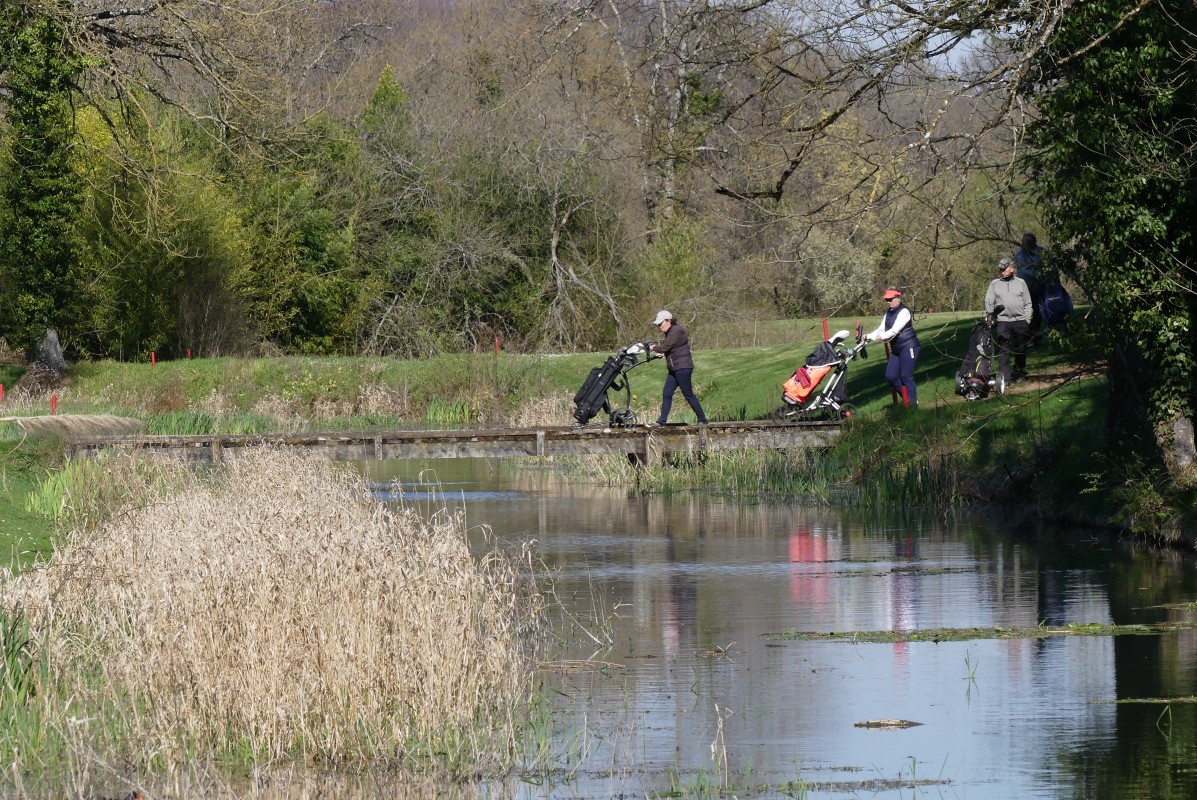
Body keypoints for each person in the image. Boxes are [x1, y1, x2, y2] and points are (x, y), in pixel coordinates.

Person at [647, 310, 708, 426]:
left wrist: (653, 347)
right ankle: (662, 421)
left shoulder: (675, 331)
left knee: (688, 394)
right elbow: (674, 348)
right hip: (674, 368)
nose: (660, 327)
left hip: (683, 367)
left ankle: (703, 419)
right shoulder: (670, 332)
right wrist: (664, 354)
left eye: (661, 324)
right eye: (658, 325)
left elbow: (665, 347)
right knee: (667, 393)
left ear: (669, 321)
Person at [865, 287, 920, 408]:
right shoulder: (888, 313)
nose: (888, 302)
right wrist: (868, 336)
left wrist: (881, 337)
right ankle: (908, 400)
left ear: (898, 298)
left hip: (908, 346)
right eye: (887, 300)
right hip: (896, 348)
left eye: (890, 299)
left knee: (906, 376)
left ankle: (914, 405)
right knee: (890, 375)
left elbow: (894, 330)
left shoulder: (904, 312)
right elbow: (881, 329)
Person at [985, 257, 1033, 384]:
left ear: (1012, 269)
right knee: (1003, 349)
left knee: (1021, 348)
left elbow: (1028, 302)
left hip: (1020, 320)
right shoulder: (995, 284)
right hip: (1002, 321)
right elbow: (989, 301)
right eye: (1000, 269)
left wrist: (1027, 319)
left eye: (1004, 269)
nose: (1002, 271)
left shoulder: (1021, 282)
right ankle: (1005, 378)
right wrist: (991, 315)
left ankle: (1019, 372)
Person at [1014, 232, 1045, 335]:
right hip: (1025, 287)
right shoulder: (1019, 253)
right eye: (1023, 242)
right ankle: (1025, 332)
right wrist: (1038, 269)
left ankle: (1035, 330)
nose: (1024, 244)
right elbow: (1024, 269)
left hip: (1038, 285)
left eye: (1027, 242)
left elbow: (1047, 262)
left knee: (1038, 309)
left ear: (1034, 243)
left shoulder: (1040, 251)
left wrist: (1039, 269)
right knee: (1026, 310)